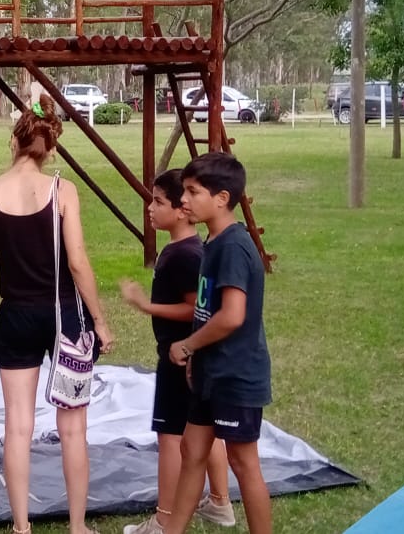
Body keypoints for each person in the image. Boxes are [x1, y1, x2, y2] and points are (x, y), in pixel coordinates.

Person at [0, 94, 113, 534]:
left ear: (14, 141)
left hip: (14, 316)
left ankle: (21, 526)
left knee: (17, 428)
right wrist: (100, 321)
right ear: (49, 149)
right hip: (66, 318)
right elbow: (77, 262)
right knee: (73, 429)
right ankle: (76, 526)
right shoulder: (62, 190)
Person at [119, 169, 234, 534]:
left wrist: (147, 306)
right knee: (201, 428)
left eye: (158, 201)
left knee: (170, 436)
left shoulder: (184, 256)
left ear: (182, 210)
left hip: (179, 355)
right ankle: (219, 502)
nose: (150, 208)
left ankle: (164, 520)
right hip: (191, 356)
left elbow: (193, 308)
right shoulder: (187, 249)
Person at [162, 152, 272, 534]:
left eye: (192, 192)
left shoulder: (233, 246)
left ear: (222, 198)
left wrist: (188, 346)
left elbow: (232, 315)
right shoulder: (213, 240)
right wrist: (198, 358)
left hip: (236, 375)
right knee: (192, 450)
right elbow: (207, 307)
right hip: (211, 372)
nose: (184, 200)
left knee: (244, 464)